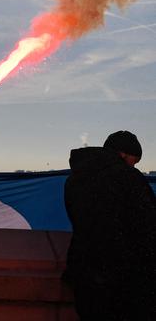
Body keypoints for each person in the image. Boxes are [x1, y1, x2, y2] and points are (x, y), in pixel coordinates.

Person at [64, 130, 156, 321]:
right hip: (123, 280)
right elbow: (148, 226)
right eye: (134, 160)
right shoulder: (129, 179)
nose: (134, 166)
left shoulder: (74, 180)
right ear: (123, 154)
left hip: (84, 273)